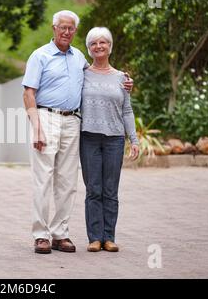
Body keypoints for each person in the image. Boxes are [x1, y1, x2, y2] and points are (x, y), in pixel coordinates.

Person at [22, 11, 133, 254]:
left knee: (67, 182)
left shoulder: (79, 58)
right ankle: (41, 235)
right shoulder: (39, 56)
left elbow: (100, 74)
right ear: (54, 28)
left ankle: (60, 234)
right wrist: (36, 127)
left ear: (75, 32)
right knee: (44, 179)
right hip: (46, 117)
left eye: (71, 28)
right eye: (62, 27)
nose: (66, 32)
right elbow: (28, 93)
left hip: (73, 121)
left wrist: (124, 82)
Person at [80, 27, 139, 253]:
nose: (98, 46)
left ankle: (109, 237)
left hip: (114, 139)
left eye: (103, 42)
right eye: (93, 43)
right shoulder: (82, 73)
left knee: (110, 190)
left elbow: (127, 110)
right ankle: (94, 238)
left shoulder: (121, 78)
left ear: (110, 46)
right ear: (89, 48)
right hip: (89, 138)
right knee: (93, 189)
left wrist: (133, 139)